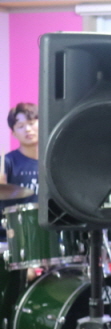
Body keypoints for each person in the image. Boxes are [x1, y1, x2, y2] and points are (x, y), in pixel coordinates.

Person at [1, 102, 39, 239]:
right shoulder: (6, 162)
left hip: (50, 230)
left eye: (31, 123)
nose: (27, 129)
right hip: (16, 234)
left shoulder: (53, 161)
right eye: (21, 126)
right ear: (14, 133)